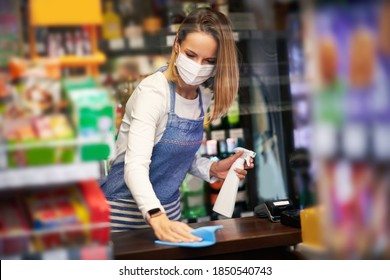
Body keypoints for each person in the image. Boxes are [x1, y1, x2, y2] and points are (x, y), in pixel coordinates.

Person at [101, 7, 254, 243]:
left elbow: (175, 155)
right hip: (124, 217)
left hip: (171, 215)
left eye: (209, 61)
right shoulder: (152, 93)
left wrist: (214, 169)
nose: (198, 66)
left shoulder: (202, 95)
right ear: (177, 46)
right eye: (191, 55)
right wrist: (155, 215)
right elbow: (136, 167)